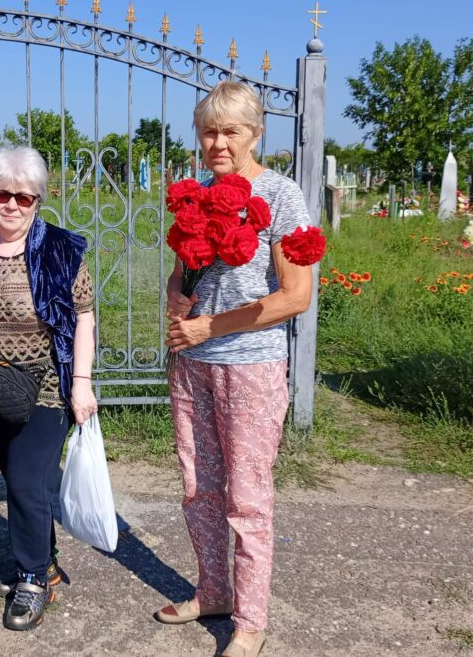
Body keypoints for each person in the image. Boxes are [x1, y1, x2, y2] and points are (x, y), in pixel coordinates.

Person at [155, 81, 314, 657]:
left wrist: (210, 327)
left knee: (247, 497)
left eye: (231, 131)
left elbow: (296, 296)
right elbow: (182, 271)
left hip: (250, 368)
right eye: (209, 132)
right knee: (199, 489)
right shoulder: (196, 193)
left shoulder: (281, 195)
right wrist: (176, 296)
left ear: (256, 133)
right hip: (193, 365)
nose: (218, 143)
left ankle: (250, 621)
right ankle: (214, 592)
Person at [0, 146, 97, 631]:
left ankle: (30, 578)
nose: (11, 205)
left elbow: (85, 317)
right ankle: (45, 565)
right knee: (19, 480)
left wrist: (82, 383)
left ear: (38, 201)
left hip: (48, 385)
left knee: (27, 481)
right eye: (2, 194)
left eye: (23, 197)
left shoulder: (60, 250)